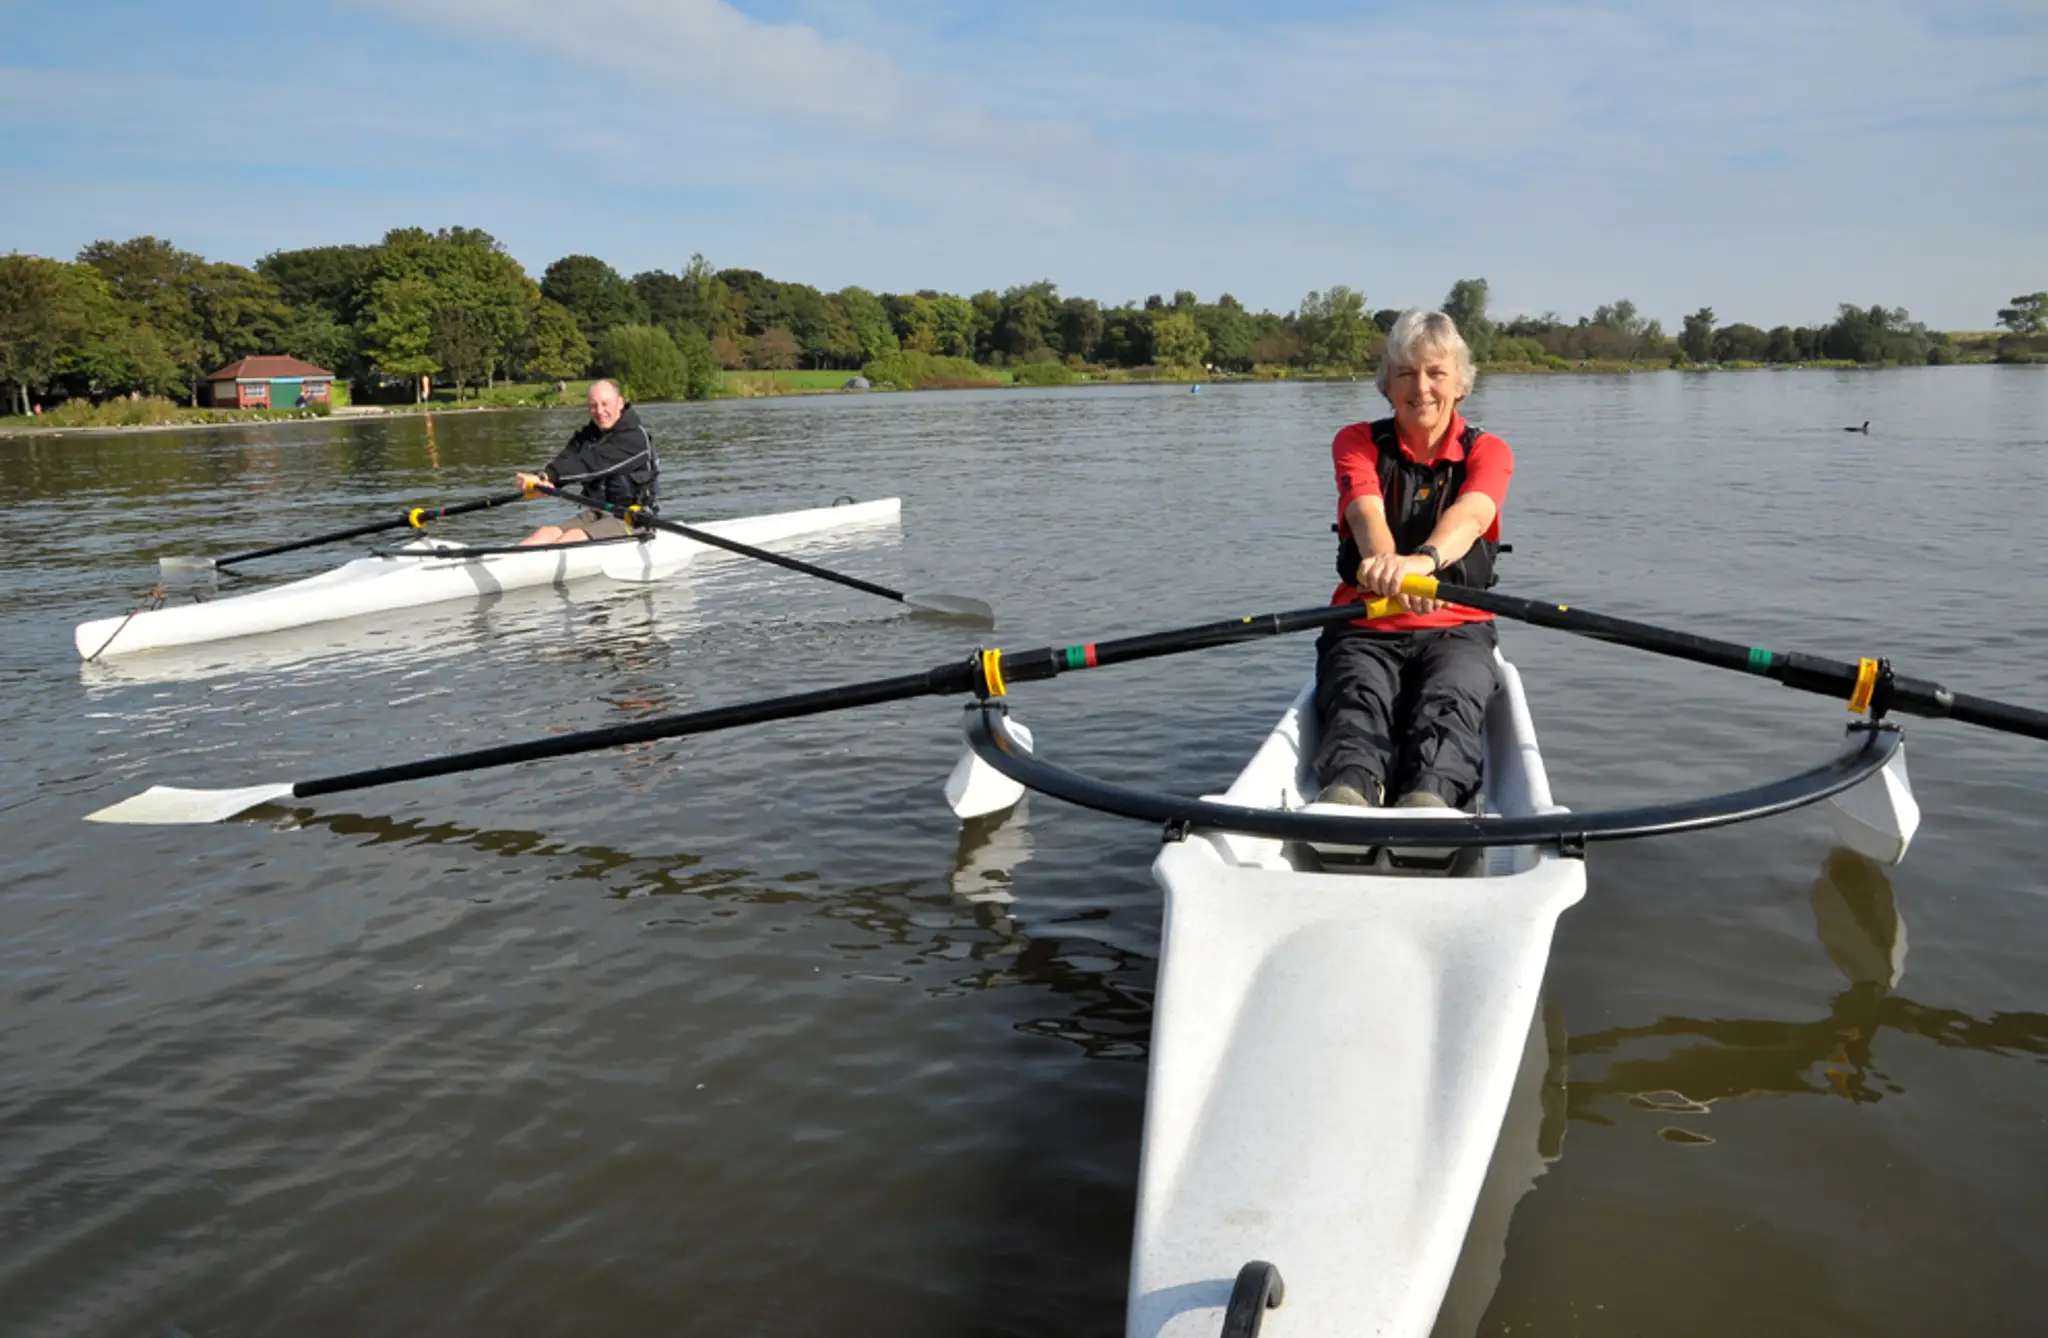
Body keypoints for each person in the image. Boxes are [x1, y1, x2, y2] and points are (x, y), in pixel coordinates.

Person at [1312, 309, 1513, 809]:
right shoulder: (1356, 442)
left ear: (1460, 385)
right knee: (1358, 695)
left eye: (1435, 373)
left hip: (1457, 627)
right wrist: (1387, 567)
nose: (1420, 387)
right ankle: (1350, 792)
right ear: (1388, 385)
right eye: (1406, 373)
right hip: (1366, 623)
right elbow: (1365, 514)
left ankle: (1431, 799)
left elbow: (1472, 514)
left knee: (1449, 702)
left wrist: (1422, 563)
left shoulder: (1489, 451)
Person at [515, 380, 660, 544]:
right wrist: (544, 479)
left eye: (605, 404)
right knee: (543, 533)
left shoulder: (633, 439)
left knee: (572, 538)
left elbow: (590, 464)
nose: (599, 411)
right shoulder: (588, 436)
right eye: (593, 405)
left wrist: (552, 476)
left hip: (634, 519)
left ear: (620, 403)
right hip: (597, 514)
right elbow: (567, 460)